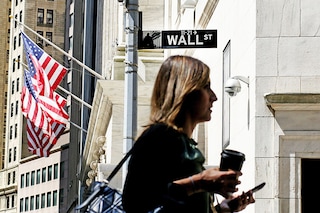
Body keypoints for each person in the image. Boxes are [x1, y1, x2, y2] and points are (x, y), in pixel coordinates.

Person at [122, 55, 255, 213]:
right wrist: (198, 183)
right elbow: (135, 203)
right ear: (186, 90)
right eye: (206, 87)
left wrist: (221, 209)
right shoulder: (159, 137)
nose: (214, 97)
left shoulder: (183, 143)